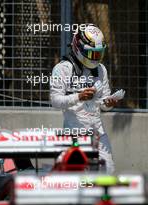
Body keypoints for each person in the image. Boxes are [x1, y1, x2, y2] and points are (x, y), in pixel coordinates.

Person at [50, 24, 117, 173]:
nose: (96, 58)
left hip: (97, 130)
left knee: (108, 170)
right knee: (79, 176)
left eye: (98, 54)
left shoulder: (101, 69)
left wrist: (109, 102)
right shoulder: (62, 68)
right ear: (78, 47)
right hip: (74, 132)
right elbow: (55, 101)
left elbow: (104, 103)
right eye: (92, 54)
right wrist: (79, 96)